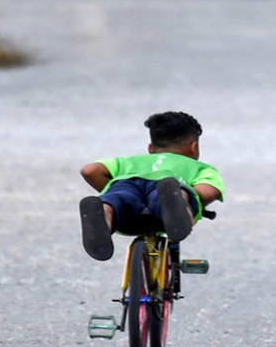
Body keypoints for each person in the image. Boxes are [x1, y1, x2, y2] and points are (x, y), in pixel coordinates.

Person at [79, 111, 225, 261]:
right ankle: (178, 202)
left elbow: (90, 171)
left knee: (118, 197)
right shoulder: (198, 167)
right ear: (193, 147)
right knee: (171, 195)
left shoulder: (129, 161)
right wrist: (194, 200)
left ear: (150, 148)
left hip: (127, 181)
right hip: (165, 186)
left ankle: (106, 212)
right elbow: (207, 192)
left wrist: (110, 191)